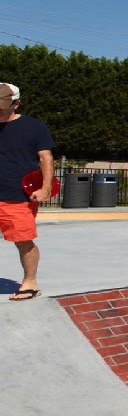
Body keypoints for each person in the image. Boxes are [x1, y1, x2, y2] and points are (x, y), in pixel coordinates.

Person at [0, 83, 55, 301]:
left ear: (16, 103)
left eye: (3, 105)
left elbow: (46, 158)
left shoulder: (33, 126)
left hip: (17, 197)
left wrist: (46, 188)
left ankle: (30, 282)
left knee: (23, 240)